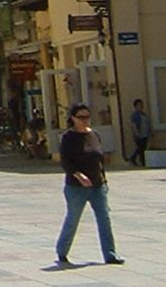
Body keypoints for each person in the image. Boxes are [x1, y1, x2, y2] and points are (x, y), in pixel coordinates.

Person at [55, 103, 122, 266]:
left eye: (87, 117)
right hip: (76, 187)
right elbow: (66, 162)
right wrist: (79, 176)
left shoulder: (94, 135)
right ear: (73, 118)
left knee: (104, 219)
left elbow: (99, 161)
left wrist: (104, 181)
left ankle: (110, 254)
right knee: (73, 219)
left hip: (97, 186)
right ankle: (62, 251)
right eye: (81, 117)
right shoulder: (68, 137)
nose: (85, 120)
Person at [128, 99, 152, 167]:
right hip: (139, 134)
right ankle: (133, 158)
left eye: (141, 105)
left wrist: (150, 131)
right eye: (139, 105)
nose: (141, 106)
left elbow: (147, 124)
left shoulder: (144, 114)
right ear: (135, 106)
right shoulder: (135, 115)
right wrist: (137, 133)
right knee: (140, 148)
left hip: (145, 134)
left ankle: (142, 162)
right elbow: (134, 125)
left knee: (143, 148)